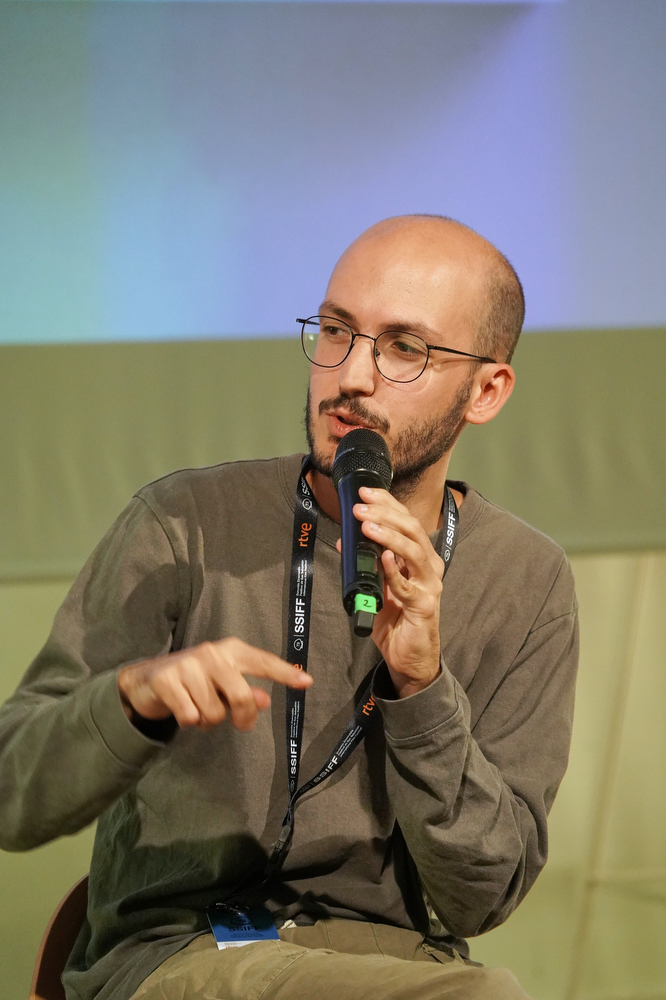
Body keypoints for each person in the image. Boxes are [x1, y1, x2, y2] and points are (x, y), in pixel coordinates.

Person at [0, 216, 578, 1000]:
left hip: (403, 969)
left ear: (486, 391)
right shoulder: (185, 523)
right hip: (186, 954)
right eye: (336, 331)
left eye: (404, 348)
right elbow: (13, 796)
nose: (352, 376)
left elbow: (483, 893)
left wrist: (421, 688)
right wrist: (131, 701)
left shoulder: (527, 580)